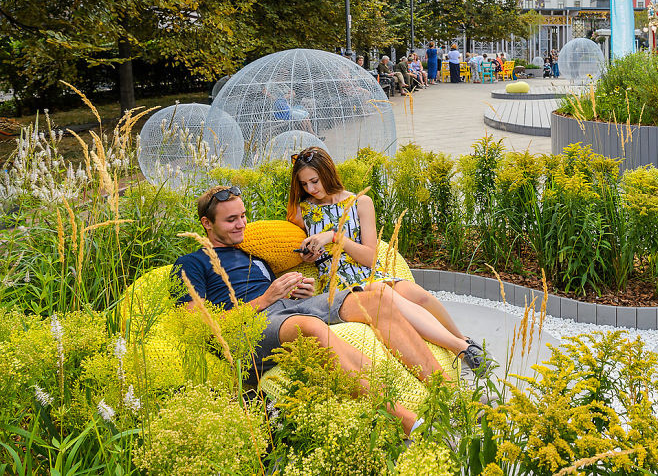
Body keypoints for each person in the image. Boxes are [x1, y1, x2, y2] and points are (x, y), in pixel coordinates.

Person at [174, 185, 456, 433]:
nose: (241, 224)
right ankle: (410, 423)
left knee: (374, 297)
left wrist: (298, 292)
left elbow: (280, 300)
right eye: (231, 220)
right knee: (308, 327)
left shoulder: (254, 253)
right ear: (207, 224)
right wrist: (267, 299)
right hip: (248, 329)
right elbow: (196, 324)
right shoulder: (190, 263)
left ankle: (448, 394)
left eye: (244, 215)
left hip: (288, 309)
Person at [286, 148, 489, 374]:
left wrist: (336, 238)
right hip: (341, 283)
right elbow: (300, 248)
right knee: (385, 293)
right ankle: (460, 348)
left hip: (370, 271)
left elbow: (371, 258)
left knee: (420, 296)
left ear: (328, 173)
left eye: (314, 181)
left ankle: (465, 341)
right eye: (304, 184)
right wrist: (308, 255)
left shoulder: (360, 202)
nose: (311, 189)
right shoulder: (301, 210)